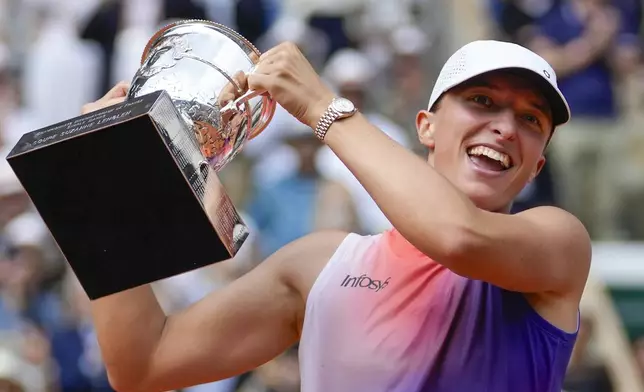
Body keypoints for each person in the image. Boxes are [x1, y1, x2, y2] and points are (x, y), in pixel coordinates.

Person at [81, 39, 591, 392]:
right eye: (482, 101)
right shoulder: (321, 264)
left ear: (536, 166)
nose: (505, 127)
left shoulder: (559, 242)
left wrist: (322, 105)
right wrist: (101, 187)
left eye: (530, 119)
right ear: (427, 127)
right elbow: (143, 364)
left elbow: (457, 237)